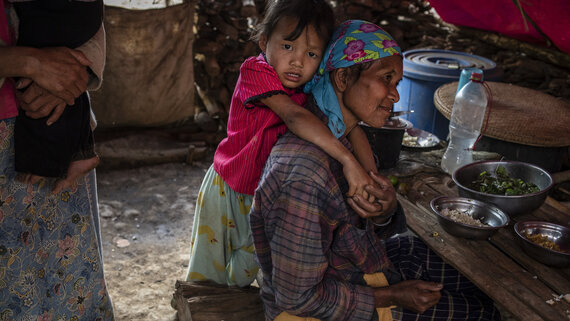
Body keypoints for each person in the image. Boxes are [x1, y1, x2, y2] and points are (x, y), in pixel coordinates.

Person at [250, 20, 501, 321]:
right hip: (315, 312)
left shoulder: (347, 138)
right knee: (483, 314)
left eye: (397, 83)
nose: (395, 96)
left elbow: (357, 231)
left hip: (354, 267)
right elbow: (298, 297)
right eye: (387, 79)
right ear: (343, 78)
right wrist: (393, 295)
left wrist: (384, 212)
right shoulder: (304, 175)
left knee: (478, 282)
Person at [186, 0, 387, 287]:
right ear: (265, 41)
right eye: (288, 47)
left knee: (245, 272)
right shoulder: (256, 72)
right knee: (207, 274)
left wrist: (370, 178)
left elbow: (352, 128)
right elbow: (293, 116)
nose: (298, 61)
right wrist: (347, 160)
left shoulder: (312, 85)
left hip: (264, 198)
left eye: (312, 53)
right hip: (228, 188)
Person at [0, 1, 114, 319]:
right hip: (35, 116)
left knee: (65, 283)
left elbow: (84, 20)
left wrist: (67, 73)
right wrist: (32, 64)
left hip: (49, 112)